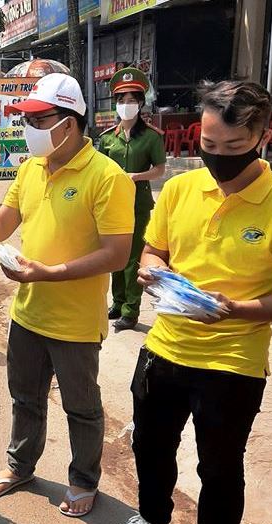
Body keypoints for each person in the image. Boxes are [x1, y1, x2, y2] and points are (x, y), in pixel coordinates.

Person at [0, 73, 135, 517]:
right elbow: (0, 225)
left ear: (69, 123)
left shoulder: (108, 177)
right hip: (28, 313)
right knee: (25, 398)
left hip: (75, 322)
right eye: (26, 119)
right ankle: (21, 466)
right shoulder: (31, 168)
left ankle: (83, 481)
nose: (28, 128)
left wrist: (48, 273)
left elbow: (116, 255)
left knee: (82, 407)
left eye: (38, 119)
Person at [101, 81, 272, 524]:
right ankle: (151, 520)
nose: (219, 155)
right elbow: (152, 251)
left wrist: (236, 309)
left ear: (262, 137)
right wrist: (152, 272)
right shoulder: (181, 188)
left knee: (220, 466)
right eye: (208, 144)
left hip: (233, 361)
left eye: (234, 146)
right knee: (150, 444)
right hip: (165, 347)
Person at [99, 68, 166, 331]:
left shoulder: (151, 137)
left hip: (138, 205)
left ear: (140, 103)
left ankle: (131, 310)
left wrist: (136, 176)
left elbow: (160, 170)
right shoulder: (107, 139)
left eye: (131, 100)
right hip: (112, 204)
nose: (126, 105)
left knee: (133, 258)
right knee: (114, 255)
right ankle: (117, 303)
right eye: (121, 100)